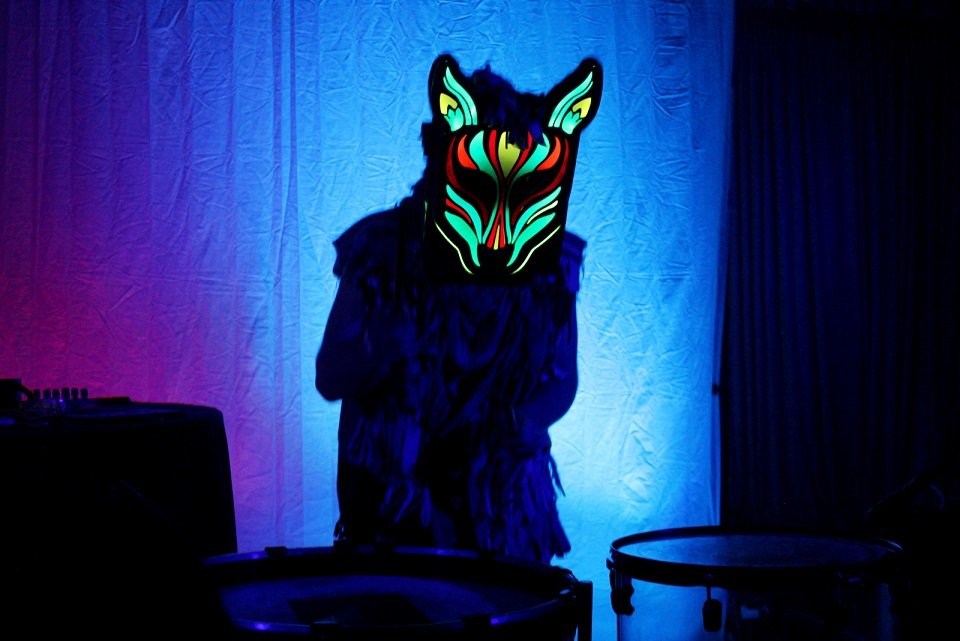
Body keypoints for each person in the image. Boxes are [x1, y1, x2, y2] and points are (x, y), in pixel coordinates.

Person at [316, 54, 601, 564]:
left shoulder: (548, 263)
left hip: (501, 513)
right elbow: (329, 376)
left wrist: (520, 422)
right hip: (394, 520)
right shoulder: (382, 249)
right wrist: (379, 344)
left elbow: (563, 378)